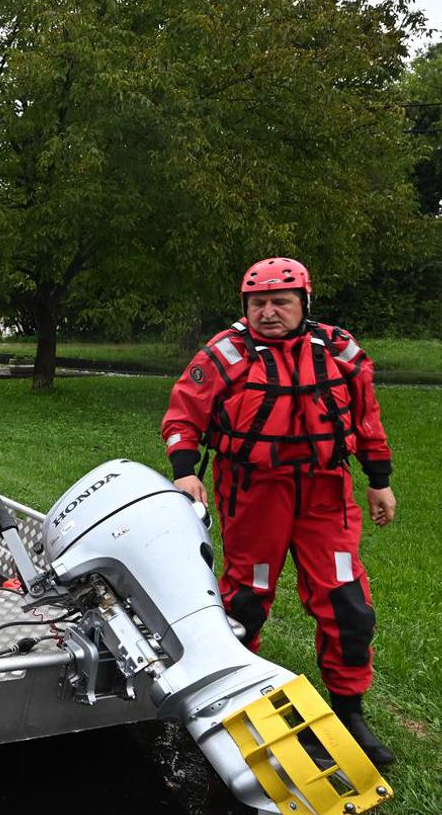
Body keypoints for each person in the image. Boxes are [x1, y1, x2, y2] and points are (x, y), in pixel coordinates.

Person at [162, 257, 397, 766]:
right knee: (246, 601)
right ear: (245, 307)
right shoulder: (225, 354)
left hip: (324, 494)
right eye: (257, 303)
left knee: (347, 604)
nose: (268, 312)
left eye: (280, 302)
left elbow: (367, 417)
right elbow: (183, 416)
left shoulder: (338, 351)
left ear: (303, 304)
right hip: (254, 494)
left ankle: (349, 712)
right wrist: (185, 470)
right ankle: (236, 702)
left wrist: (379, 481)